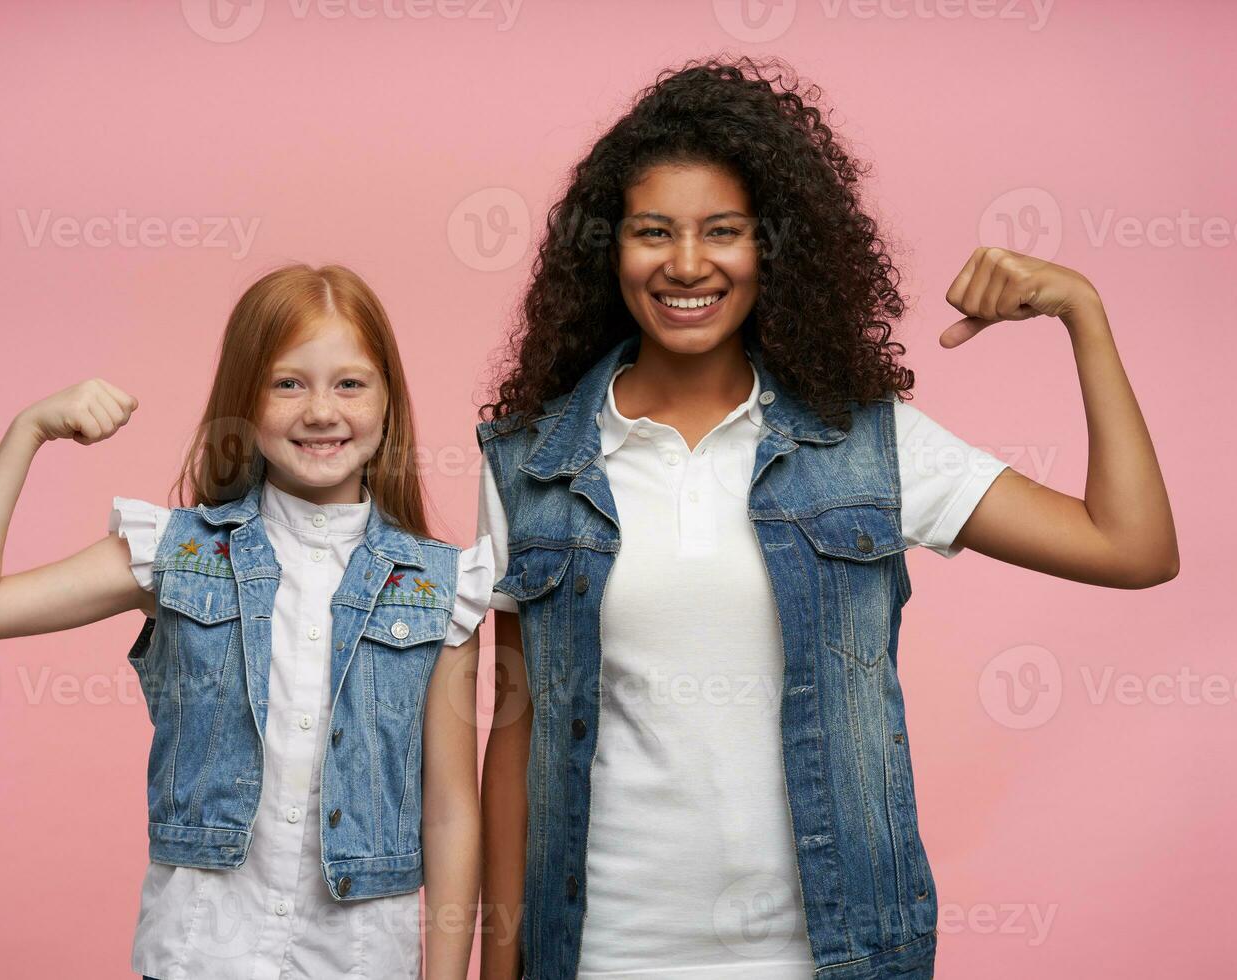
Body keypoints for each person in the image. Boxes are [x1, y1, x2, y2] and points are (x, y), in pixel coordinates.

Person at [475, 58, 1177, 980]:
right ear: (609, 251)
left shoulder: (870, 448)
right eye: (654, 232)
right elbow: (516, 724)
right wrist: (498, 957)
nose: (688, 264)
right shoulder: (529, 460)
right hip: (601, 952)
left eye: (723, 232)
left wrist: (1083, 312)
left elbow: (1133, 548)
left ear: (774, 249)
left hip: (826, 955)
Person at [0, 263, 489, 979]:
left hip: (363, 961)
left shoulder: (440, 586)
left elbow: (451, 812)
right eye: (288, 383)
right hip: (199, 956)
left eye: (350, 383)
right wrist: (26, 431)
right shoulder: (174, 553)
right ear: (243, 400)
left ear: (388, 400)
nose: (320, 410)